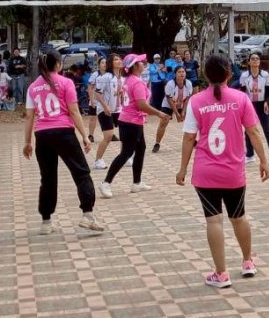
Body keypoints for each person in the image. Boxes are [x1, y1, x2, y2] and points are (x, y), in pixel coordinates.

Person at [177, 54, 269, 287]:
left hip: (205, 172)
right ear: (229, 73)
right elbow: (253, 131)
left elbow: (189, 138)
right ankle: (247, 261)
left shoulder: (196, 101)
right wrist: (263, 160)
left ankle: (221, 274)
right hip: (233, 172)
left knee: (214, 221)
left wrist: (182, 169)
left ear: (205, 75)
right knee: (239, 217)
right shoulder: (241, 98)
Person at [23, 51, 105, 236]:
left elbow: (29, 116)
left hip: (42, 135)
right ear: (58, 64)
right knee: (81, 173)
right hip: (63, 132)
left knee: (47, 179)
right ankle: (87, 215)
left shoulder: (33, 87)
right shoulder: (66, 82)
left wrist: (27, 142)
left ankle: (46, 222)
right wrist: (84, 136)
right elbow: (74, 111)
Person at [100, 54, 170, 197]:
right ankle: (106, 182)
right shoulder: (136, 82)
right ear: (135, 66)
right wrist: (159, 113)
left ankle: (136, 183)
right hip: (130, 122)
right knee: (126, 153)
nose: (144, 63)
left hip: (132, 120)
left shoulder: (129, 80)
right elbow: (141, 104)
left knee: (141, 149)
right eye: (141, 62)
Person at [240, 53, 269, 166]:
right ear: (249, 62)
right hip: (250, 105)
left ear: (259, 61)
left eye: (257, 59)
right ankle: (250, 155)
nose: (255, 60)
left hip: (262, 104)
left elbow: (268, 90)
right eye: (252, 59)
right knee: (249, 130)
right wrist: (245, 104)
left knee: (267, 129)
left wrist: (266, 101)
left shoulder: (265, 75)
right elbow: (243, 91)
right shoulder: (244, 76)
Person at [91, 56, 123, 169]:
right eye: (116, 59)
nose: (119, 61)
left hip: (117, 109)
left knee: (126, 132)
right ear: (111, 63)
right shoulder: (105, 77)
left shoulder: (120, 77)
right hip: (105, 109)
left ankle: (125, 157)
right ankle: (97, 160)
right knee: (108, 136)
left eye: (119, 59)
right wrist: (105, 107)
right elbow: (98, 93)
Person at [154, 66, 192, 154]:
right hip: (168, 104)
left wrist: (183, 111)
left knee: (190, 120)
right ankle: (157, 143)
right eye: (179, 72)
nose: (182, 74)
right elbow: (170, 100)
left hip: (181, 103)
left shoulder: (188, 83)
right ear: (175, 74)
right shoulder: (170, 84)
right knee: (164, 121)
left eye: (183, 72)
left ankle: (192, 140)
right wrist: (177, 114)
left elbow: (187, 99)